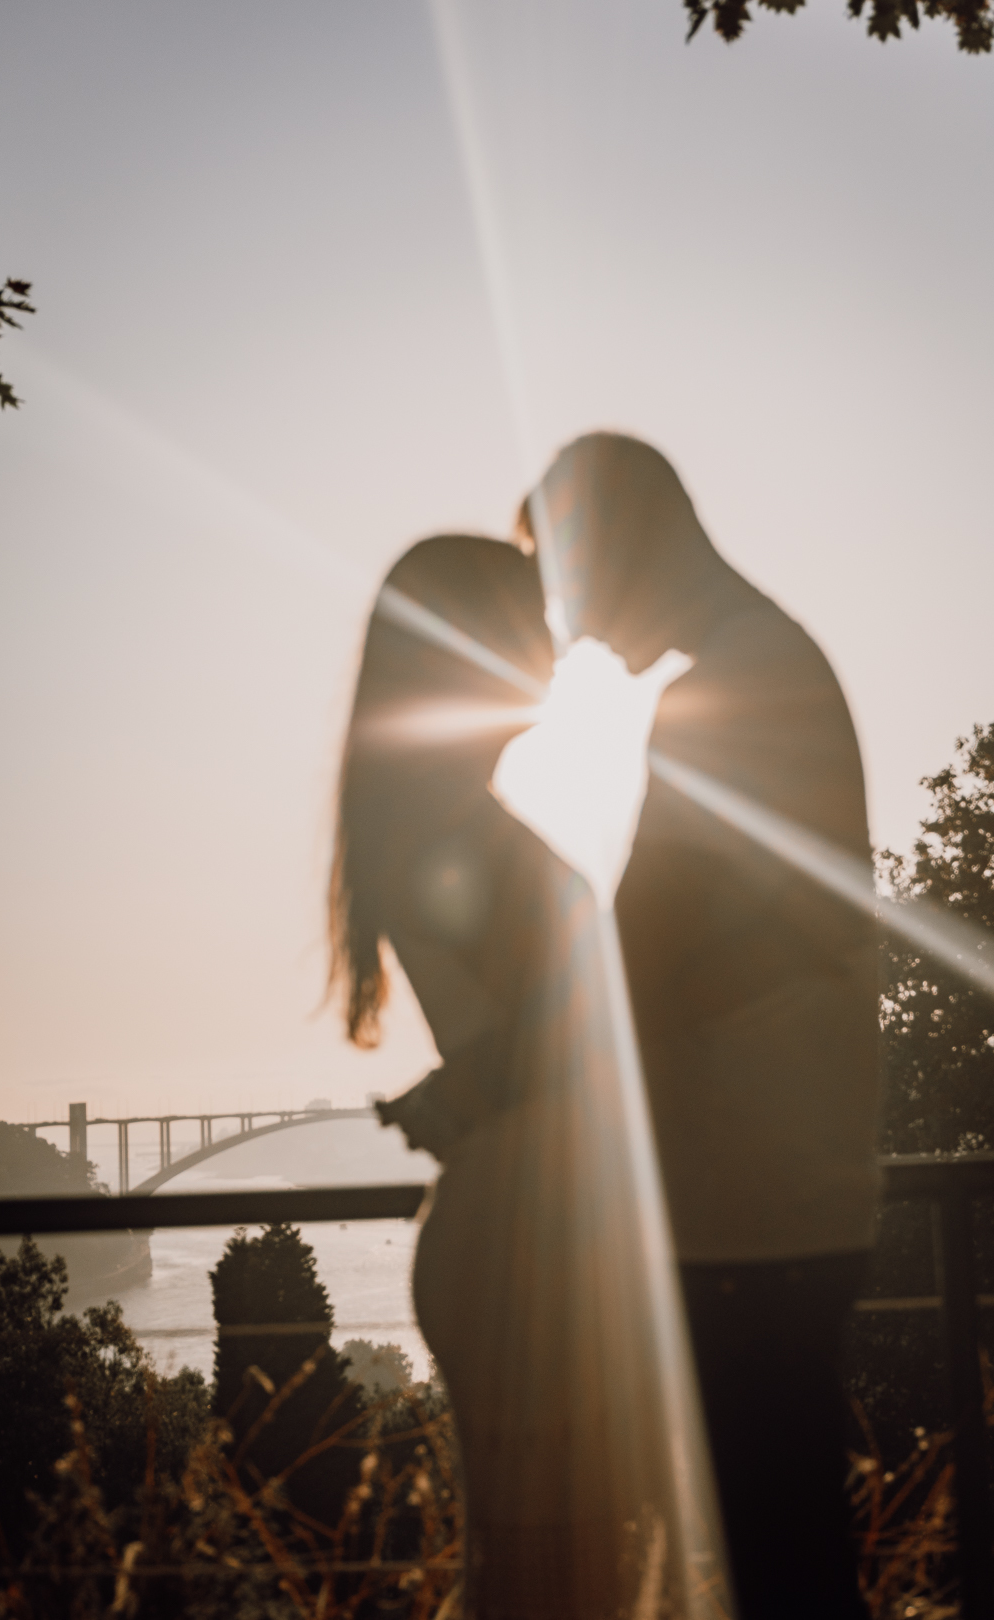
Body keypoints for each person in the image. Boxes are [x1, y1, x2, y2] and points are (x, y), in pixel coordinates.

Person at [520, 432, 881, 1620]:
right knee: (787, 1551)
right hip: (776, 1195)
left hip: (745, 1212)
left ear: (624, 547)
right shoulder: (759, 664)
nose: (568, 630)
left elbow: (666, 950)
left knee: (773, 1560)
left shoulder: (733, 685)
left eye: (568, 588)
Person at [328, 534, 679, 1620]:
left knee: (555, 1585)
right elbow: (545, 1048)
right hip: (535, 1248)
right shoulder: (448, 832)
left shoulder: (439, 822)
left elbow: (515, 1042)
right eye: (526, 620)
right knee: (563, 1588)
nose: (554, 641)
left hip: (538, 1231)